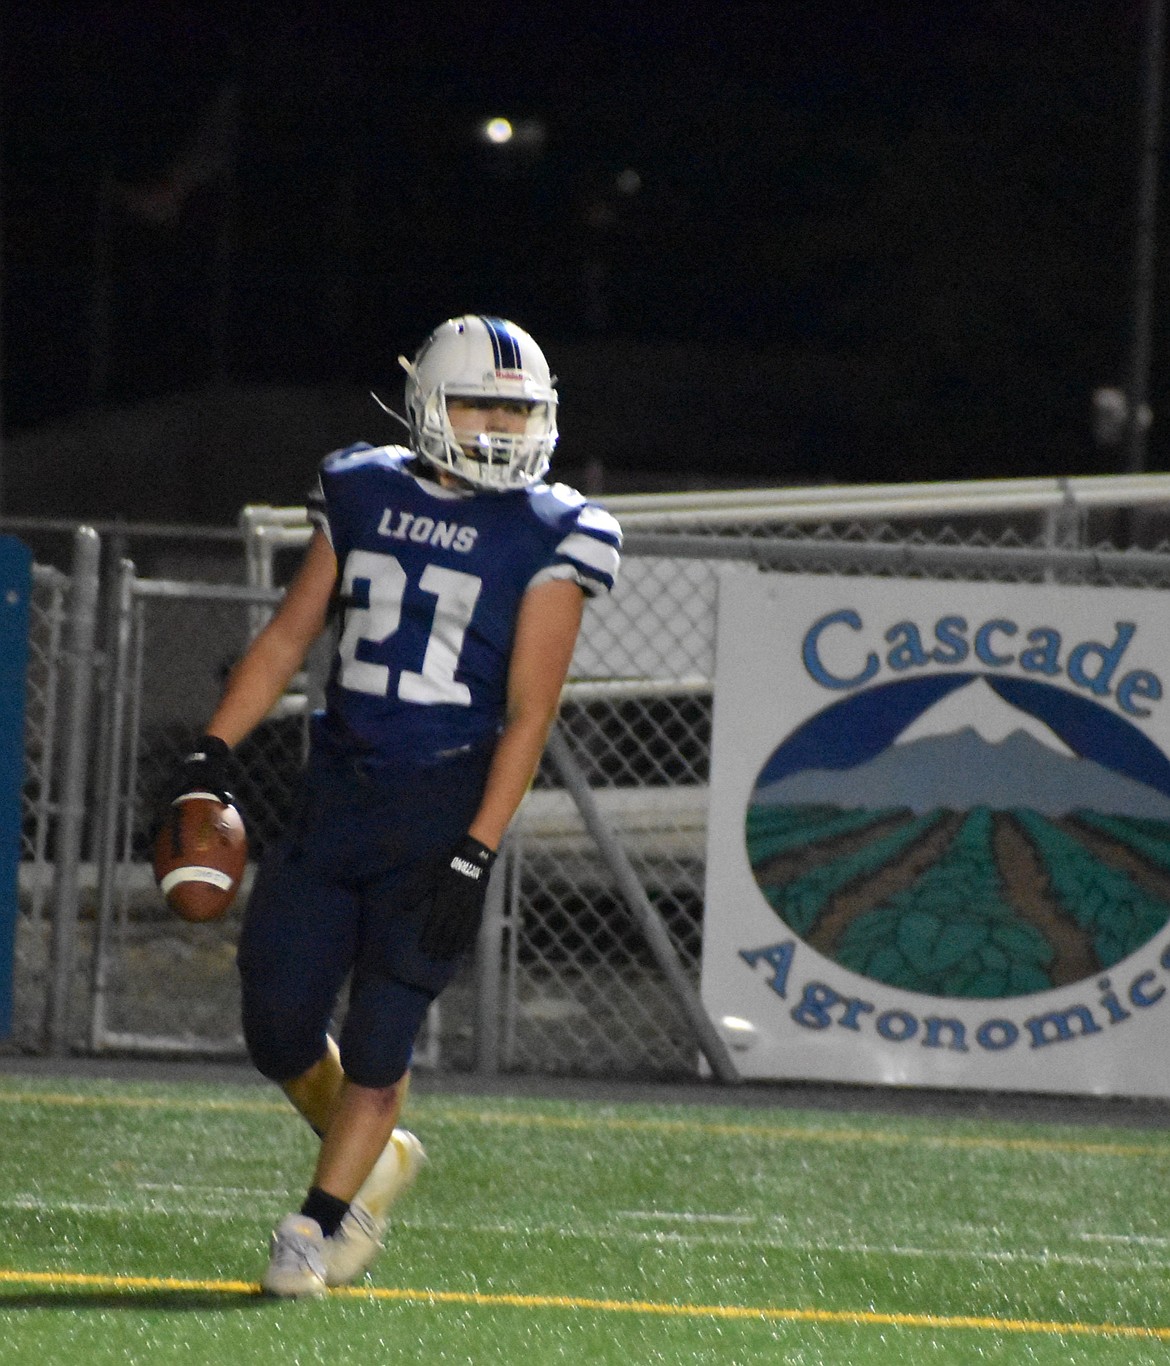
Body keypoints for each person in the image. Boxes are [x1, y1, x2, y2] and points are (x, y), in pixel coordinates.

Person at [164, 315, 622, 1296]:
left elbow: (531, 714)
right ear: (429, 405)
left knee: (382, 1035)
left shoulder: (554, 528)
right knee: (277, 1021)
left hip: (442, 802)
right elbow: (289, 637)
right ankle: (378, 1156)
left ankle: (319, 1220)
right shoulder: (364, 487)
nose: (501, 427)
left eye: (518, 409)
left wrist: (476, 849)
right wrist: (211, 752)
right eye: (481, 404)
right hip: (337, 791)